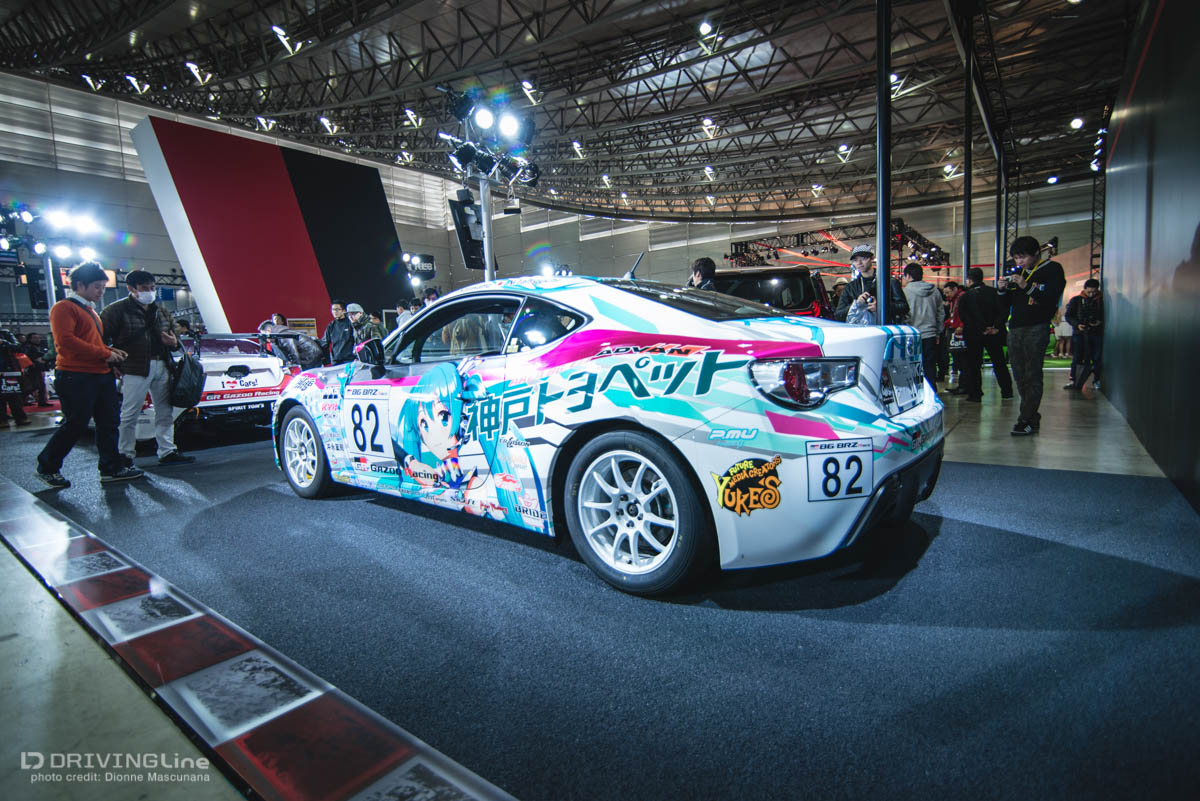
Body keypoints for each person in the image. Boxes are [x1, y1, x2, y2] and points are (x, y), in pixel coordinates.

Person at [36, 262, 144, 488]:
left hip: (100, 374)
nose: (101, 291)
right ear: (80, 285)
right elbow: (66, 341)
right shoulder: (64, 308)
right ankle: (47, 466)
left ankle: (111, 467)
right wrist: (105, 353)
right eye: (97, 286)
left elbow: (90, 342)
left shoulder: (91, 311)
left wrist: (110, 353)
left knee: (108, 423)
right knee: (76, 424)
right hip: (75, 375)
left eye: (103, 286)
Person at [100, 269, 195, 465]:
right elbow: (102, 339)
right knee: (130, 413)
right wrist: (112, 363)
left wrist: (173, 343)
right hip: (133, 367)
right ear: (131, 289)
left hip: (163, 364)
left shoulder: (161, 311)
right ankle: (125, 454)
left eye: (152, 287)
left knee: (165, 411)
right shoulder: (115, 311)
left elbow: (175, 338)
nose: (149, 292)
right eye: (144, 288)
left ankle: (167, 451)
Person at [1004, 236, 1066, 435]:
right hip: (1015, 328)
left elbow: (1050, 300)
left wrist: (1027, 286)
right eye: (1016, 258)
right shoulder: (1018, 273)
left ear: (1036, 253)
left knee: (1032, 374)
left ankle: (1025, 419)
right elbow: (1008, 303)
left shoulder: (1052, 270)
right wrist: (1002, 290)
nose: (1019, 262)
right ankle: (1031, 416)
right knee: (1019, 374)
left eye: (1023, 257)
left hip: (1036, 328)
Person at [958, 267, 1015, 402]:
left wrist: (980, 328)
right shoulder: (994, 292)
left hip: (973, 334)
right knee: (999, 363)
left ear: (969, 280)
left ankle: (975, 393)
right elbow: (1004, 311)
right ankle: (1007, 391)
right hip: (994, 333)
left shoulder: (965, 297)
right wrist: (995, 327)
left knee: (974, 365)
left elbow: (964, 316)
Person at [834, 245, 909, 324]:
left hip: (885, 327)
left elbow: (904, 307)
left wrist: (881, 307)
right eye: (855, 260)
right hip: (861, 329)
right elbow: (838, 315)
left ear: (872, 258)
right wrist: (856, 304)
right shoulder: (850, 287)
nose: (859, 263)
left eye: (863, 258)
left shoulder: (889, 281)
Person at [900, 264, 943, 388]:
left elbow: (904, 315)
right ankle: (932, 391)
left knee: (913, 366)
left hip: (912, 335)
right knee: (930, 366)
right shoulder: (935, 291)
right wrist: (938, 331)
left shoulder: (905, 292)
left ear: (908, 276)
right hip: (930, 334)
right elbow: (940, 313)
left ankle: (917, 392)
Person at [1065, 278, 1103, 390]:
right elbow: (1068, 316)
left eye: (1094, 292)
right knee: (1077, 357)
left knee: (1097, 358)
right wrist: (1077, 325)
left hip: (1096, 333)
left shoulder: (1100, 302)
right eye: (1089, 292)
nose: (1091, 294)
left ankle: (1097, 380)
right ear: (1084, 289)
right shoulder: (1076, 300)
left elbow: (1102, 315)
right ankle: (1074, 380)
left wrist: (1099, 322)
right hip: (1080, 333)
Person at [258, 320, 325, 370]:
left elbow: (293, 352)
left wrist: (295, 368)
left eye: (264, 334)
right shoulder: (281, 333)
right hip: (311, 355)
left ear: (268, 331)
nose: (265, 338)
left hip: (310, 357)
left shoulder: (282, 335)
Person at [0, 330, 33, 426]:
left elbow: (18, 347)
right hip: (7, 369)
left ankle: (20, 417)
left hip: (8, 370)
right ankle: (2, 419)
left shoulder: (5, 334)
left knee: (13, 395)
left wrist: (3, 342)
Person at [939, 281, 965, 388]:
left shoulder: (961, 298)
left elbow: (965, 314)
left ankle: (964, 386)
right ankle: (962, 386)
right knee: (958, 359)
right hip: (956, 330)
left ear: (954, 289)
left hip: (960, 332)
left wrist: (961, 325)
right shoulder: (954, 300)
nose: (946, 295)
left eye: (948, 292)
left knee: (962, 360)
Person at [320, 300, 355, 364]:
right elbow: (324, 343)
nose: (334, 312)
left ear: (344, 311)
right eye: (333, 310)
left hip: (350, 360)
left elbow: (357, 341)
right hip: (336, 361)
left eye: (337, 309)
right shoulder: (331, 325)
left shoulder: (351, 324)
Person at [22, 332, 51, 406]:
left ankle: (41, 401)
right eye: (35, 338)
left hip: (38, 368)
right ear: (30, 339)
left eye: (38, 338)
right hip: (32, 369)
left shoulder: (39, 346)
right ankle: (23, 399)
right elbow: (27, 357)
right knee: (34, 386)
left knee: (40, 385)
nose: (38, 339)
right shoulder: (28, 347)